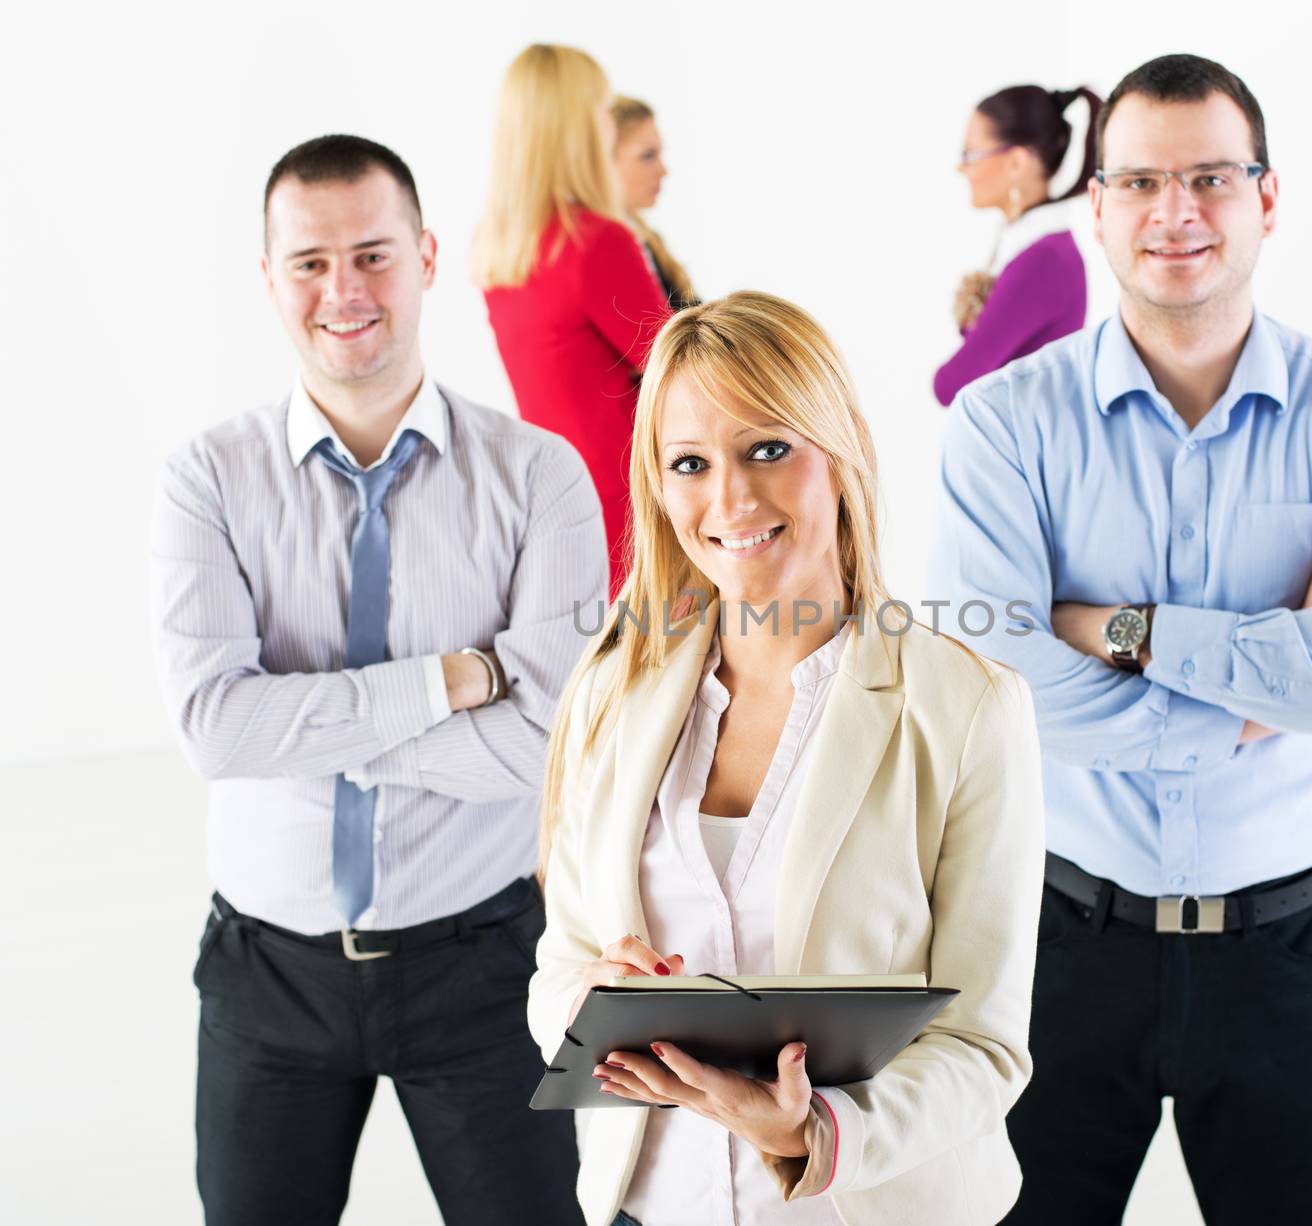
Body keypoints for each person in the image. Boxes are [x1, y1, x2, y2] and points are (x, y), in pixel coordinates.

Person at [928, 54, 1312, 1225]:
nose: (1176, 213)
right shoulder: (1004, 429)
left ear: (1266, 198)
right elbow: (1002, 688)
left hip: (1286, 952)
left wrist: (1109, 629)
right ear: (1098, 206)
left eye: (1211, 178)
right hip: (1058, 946)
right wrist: (1273, 677)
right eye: (1141, 182)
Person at [153, 134, 605, 1225]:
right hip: (270, 977)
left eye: (372, 253)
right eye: (308, 261)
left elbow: (548, 743)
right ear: (268, 279)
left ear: (428, 256)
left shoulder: (541, 476)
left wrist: (298, 723)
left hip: (484, 962)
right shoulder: (207, 478)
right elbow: (215, 728)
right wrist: (451, 679)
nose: (342, 290)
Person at [526, 291, 1046, 1226]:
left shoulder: (968, 709)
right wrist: (589, 1006)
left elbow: (984, 1046)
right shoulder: (613, 695)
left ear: (839, 452)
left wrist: (813, 1133)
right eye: (690, 464)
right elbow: (559, 965)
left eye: (768, 448)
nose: (729, 500)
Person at [476, 44, 671, 593]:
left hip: (553, 498)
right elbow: (677, 367)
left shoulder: (501, 250)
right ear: (579, 126)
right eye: (602, 107)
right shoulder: (595, 242)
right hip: (628, 501)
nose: (610, 120)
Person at [934, 84, 1102, 407]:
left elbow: (952, 383)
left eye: (970, 153)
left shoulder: (1045, 261)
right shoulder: (1033, 248)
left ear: (1016, 163)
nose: (961, 167)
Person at [613, 95, 698, 310]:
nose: (663, 171)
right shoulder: (600, 251)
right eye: (648, 156)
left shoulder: (649, 240)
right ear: (601, 161)